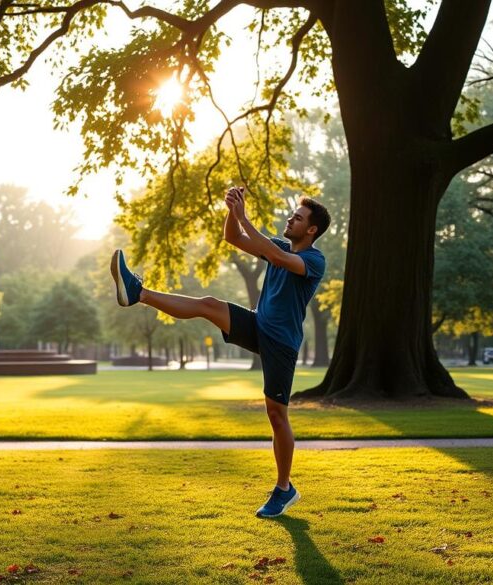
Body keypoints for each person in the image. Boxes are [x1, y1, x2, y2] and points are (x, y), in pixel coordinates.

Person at [111, 187, 329, 518]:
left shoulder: (313, 260)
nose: (290, 219)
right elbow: (234, 238)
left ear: (311, 230)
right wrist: (232, 211)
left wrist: (245, 217)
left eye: (297, 218)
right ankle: (137, 292)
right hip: (259, 325)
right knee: (209, 305)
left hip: (282, 343)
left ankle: (285, 488)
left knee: (276, 414)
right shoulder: (279, 248)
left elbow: (281, 258)